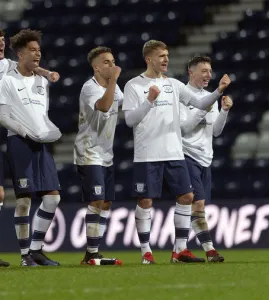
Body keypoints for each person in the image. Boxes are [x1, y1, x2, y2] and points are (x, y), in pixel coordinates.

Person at [122, 40, 231, 264]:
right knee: (145, 201)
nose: (166, 60)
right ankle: (146, 252)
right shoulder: (133, 85)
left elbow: (201, 103)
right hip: (148, 154)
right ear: (149, 59)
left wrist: (218, 91)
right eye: (161, 56)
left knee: (187, 196)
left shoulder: (173, 84)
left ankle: (179, 250)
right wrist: (149, 101)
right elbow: (129, 120)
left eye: (167, 55)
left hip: (174, 152)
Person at [0, 29, 62, 267]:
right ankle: (25, 256)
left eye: (39, 50)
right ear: (20, 53)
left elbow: (41, 115)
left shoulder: (41, 81)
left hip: (40, 143)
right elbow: (3, 116)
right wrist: (25, 132)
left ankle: (36, 249)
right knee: (23, 200)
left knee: (53, 198)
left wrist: (46, 131)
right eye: (32, 50)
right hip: (19, 142)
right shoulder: (7, 81)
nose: (38, 54)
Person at [179, 55, 233, 262]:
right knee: (198, 204)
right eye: (203, 71)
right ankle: (210, 250)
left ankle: (181, 248)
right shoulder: (183, 96)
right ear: (191, 72)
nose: (208, 75)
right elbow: (183, 129)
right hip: (187, 155)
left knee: (197, 206)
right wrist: (203, 109)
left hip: (205, 159)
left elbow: (216, 132)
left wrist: (224, 112)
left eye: (210, 71)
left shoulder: (209, 98)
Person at [74, 46, 123, 266]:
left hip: (106, 152)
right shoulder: (89, 87)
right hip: (89, 151)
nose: (111, 66)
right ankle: (91, 253)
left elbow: (124, 105)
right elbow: (104, 106)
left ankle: (93, 251)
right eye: (106, 62)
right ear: (95, 67)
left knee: (106, 203)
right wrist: (112, 81)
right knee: (97, 199)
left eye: (113, 62)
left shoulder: (116, 87)